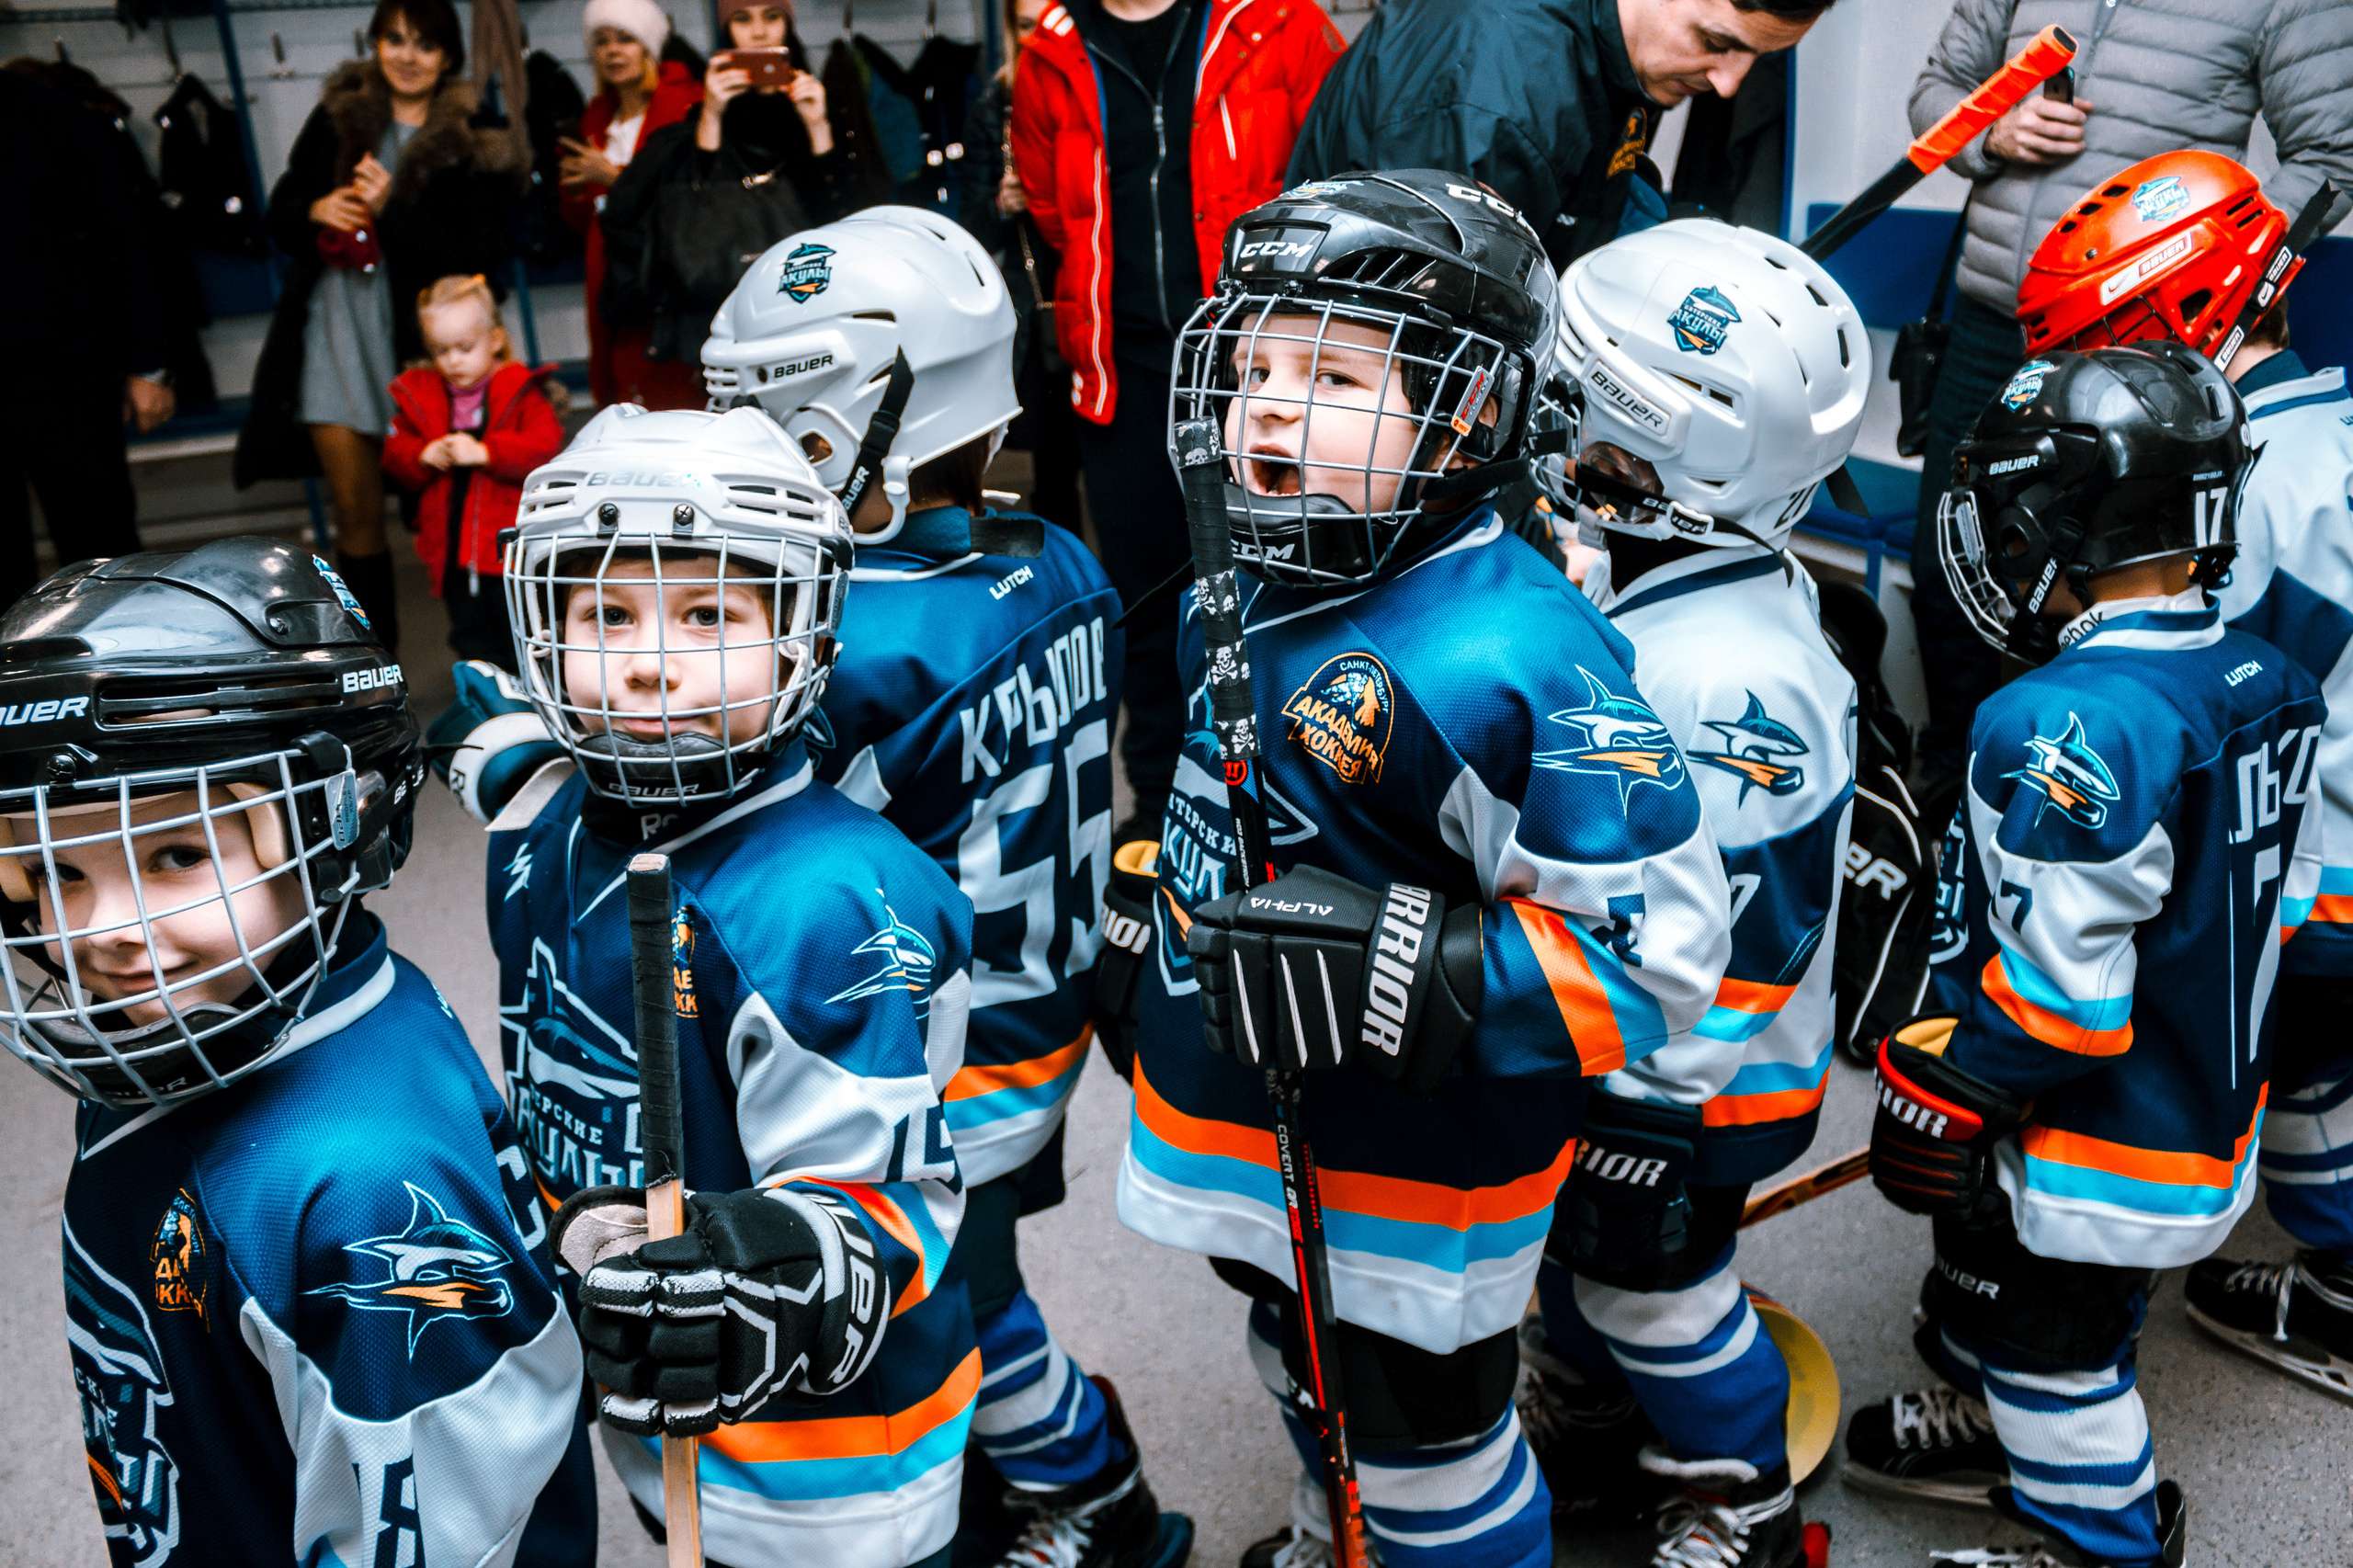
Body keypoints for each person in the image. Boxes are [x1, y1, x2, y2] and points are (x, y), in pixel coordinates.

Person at [1112, 171, 1731, 1568]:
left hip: (1409, 1169)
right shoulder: (1249, 564)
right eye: (1255, 361)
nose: (1265, 405)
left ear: (1466, 409)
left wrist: (1421, 963)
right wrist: (1144, 908)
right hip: (1257, 1133)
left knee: (1429, 1437)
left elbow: (1661, 944)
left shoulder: (1513, 650)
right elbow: (1227, 783)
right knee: (1304, 1363)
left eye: (1328, 371)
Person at [704, 207, 1188, 1568]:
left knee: (954, 1301)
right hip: (1043, 1004)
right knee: (968, 1277)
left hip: (930, 1047)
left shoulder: (847, 642)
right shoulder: (1060, 556)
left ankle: (1092, 1484)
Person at [431, 403, 979, 1568]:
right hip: (659, 1404)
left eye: (708, 613)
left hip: (836, 1457)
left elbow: (897, 1202)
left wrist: (761, 1269)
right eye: (606, 614)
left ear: (799, 634)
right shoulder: (545, 832)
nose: (647, 661)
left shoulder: (827, 904)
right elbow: (524, 783)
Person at [0, 537, 596, 1567]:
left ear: (339, 821)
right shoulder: (199, 1015)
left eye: (177, 852)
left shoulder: (355, 1183)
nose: (102, 930)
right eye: (59, 872)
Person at [1843, 343, 2323, 1567]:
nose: (2002, 543)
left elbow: (2063, 1001)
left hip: (2093, 1125)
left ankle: (2092, 1534)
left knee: (2056, 1348)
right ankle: (2008, 1426)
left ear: (2080, 521)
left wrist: (1950, 1090)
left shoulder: (2067, 720)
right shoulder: (2265, 672)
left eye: (2019, 515)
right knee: (2045, 1304)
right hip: (2195, 1097)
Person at [1517, 218, 1862, 1568]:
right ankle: (1602, 1423)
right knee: (1584, 1267)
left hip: (1694, 1085)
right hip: (1624, 1053)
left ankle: (1735, 1490)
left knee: (1662, 1288)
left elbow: (1749, 935)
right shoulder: (1673, 575)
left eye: (1574, 399)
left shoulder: (1728, 678)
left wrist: (1651, 1110)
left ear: (1667, 449)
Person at [2011, 149, 2353, 1407]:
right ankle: (2345, 1283)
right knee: (2320, 1072)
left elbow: (2178, 711)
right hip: (2342, 877)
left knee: (2123, 1095)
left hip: (2298, 882)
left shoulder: (2236, 479)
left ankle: (2052, 1378)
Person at [1902, 0, 2353, 789]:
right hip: (1990, 318)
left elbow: (2332, 151)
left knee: (2123, 592)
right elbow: (1940, 88)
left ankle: (2084, 781)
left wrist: (2200, 259)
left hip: (2146, 345)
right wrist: (1991, 135)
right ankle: (1958, 791)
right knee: (1961, 565)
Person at [1009, 0, 1343, 846]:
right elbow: (1053, 213)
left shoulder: (1279, 21)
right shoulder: (1048, 49)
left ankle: (1297, 812)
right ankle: (1155, 821)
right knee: (1151, 609)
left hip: (1257, 376)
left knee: (1280, 588)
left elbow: (1337, 169)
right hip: (1120, 384)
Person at [235, 0, 525, 653]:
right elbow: (279, 213)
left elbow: (480, 253)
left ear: (448, 55)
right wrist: (317, 208)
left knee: (456, 509)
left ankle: (485, 658)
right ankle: (372, 669)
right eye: (394, 40)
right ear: (375, 46)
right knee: (355, 514)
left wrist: (391, 211)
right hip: (333, 333)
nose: (407, 55)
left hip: (429, 349)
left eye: (424, 43)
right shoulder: (341, 115)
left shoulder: (476, 129)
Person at [1286, 0, 1836, 270]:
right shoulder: (1497, 98)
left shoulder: (1619, 54)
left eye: (1757, 58)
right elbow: (1412, 339)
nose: (1729, 82)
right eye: (1718, 42)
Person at [599, 0, 857, 402]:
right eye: (742, 19)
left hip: (805, 298)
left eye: (772, 17)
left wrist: (818, 127)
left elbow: (845, 219)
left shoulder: (817, 103)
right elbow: (692, 217)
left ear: (787, 25)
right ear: (726, 33)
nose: (759, 32)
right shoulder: (706, 113)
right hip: (723, 306)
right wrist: (712, 117)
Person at [0, 67, 176, 607]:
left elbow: (121, 234)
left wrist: (148, 362)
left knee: (102, 556)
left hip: (64, 370)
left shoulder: (47, 111)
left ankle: (125, 682)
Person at [382, 274, 565, 670]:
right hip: (454, 557)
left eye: (465, 348)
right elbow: (395, 454)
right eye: (440, 350)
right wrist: (420, 453)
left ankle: (537, 709)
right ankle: (488, 710)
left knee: (528, 638)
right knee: (471, 640)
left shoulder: (520, 391)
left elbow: (545, 447)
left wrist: (486, 452)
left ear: (496, 340)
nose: (452, 361)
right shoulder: (422, 394)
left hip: (511, 557)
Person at [960, 0, 1082, 532]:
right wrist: (1002, 203)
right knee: (1053, 453)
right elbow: (970, 224)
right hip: (1039, 296)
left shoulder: (1092, 87)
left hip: (1098, 278)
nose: (1040, 38)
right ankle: (1067, 568)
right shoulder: (996, 103)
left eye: (1051, 22)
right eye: (1027, 26)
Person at [557, 0, 706, 410]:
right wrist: (573, 189)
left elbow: (689, 202)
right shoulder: (595, 119)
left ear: (650, 46)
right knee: (622, 385)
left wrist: (612, 176)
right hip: (609, 269)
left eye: (626, 39)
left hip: (665, 270)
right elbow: (578, 221)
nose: (613, 51)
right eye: (601, 42)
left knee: (670, 384)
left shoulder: (686, 106)